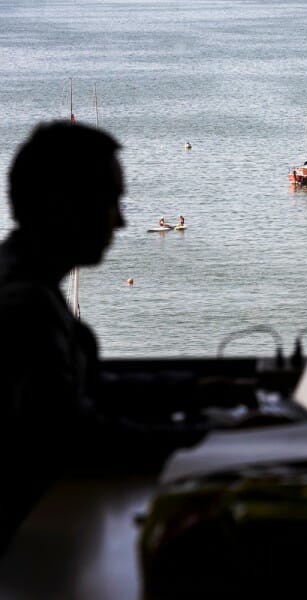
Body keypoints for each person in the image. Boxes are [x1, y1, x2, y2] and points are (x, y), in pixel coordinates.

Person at [0, 122, 204, 551]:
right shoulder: (26, 311)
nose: (123, 221)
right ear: (63, 206)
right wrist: (215, 439)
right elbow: (80, 439)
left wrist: (200, 390)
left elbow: (79, 391)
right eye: (110, 202)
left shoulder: (23, 282)